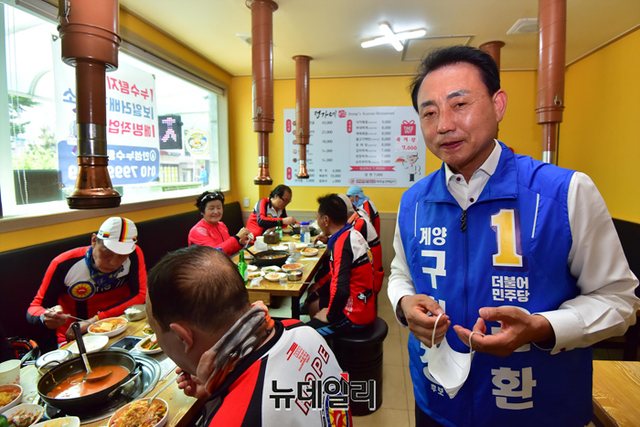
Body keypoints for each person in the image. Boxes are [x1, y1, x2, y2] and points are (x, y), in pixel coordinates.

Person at [388, 45, 640, 427]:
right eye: (430, 113)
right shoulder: (414, 202)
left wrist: (543, 327)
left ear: (498, 104)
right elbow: (400, 273)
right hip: (437, 403)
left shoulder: (565, 192)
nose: (444, 125)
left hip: (538, 410)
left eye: (460, 104)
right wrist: (404, 303)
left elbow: (618, 300)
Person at [145, 245, 351, 426]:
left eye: (155, 330)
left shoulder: (236, 420)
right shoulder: (301, 329)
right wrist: (217, 392)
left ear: (182, 337)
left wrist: (228, 406)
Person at [27, 217, 147, 344]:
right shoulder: (64, 264)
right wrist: (45, 316)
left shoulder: (134, 254)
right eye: (106, 253)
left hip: (121, 325)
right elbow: (34, 308)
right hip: (75, 336)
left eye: (122, 256)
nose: (113, 263)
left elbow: (141, 294)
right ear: (94, 240)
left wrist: (96, 320)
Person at [306, 194, 376, 337]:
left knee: (305, 334)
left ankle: (327, 346)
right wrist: (319, 292)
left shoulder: (342, 244)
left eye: (318, 217)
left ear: (326, 220)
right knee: (313, 301)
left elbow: (341, 290)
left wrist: (329, 316)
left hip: (355, 315)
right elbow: (338, 278)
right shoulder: (352, 234)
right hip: (365, 303)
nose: (317, 221)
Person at [188, 190, 251, 256]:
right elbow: (214, 253)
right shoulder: (198, 230)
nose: (216, 212)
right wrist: (237, 237)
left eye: (219, 208)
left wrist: (241, 242)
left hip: (224, 261)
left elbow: (229, 251)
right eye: (211, 208)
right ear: (202, 211)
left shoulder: (221, 225)